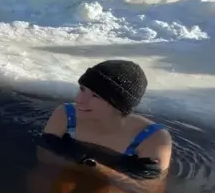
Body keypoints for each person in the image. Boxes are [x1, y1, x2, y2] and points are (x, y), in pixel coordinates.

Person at [41, 60, 173, 185]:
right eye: (82, 89)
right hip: (78, 170)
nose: (79, 99)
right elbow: (43, 156)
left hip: (115, 186)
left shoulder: (153, 138)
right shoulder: (66, 114)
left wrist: (95, 167)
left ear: (118, 105)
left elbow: (147, 189)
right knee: (41, 188)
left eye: (95, 96)